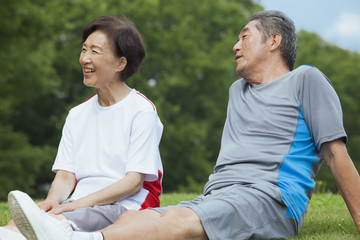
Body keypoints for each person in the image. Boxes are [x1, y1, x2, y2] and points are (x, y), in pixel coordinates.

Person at [7, 10, 360, 240]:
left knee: (172, 226)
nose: (235, 46)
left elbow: (334, 154)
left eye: (244, 36)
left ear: (274, 41)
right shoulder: (237, 91)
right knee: (131, 225)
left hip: (268, 197)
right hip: (217, 194)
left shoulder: (306, 80)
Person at [0, 15, 163, 240]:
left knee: (51, 224)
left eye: (95, 52)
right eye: (84, 49)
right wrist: (52, 202)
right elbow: (66, 176)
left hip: (127, 206)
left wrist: (75, 205)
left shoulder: (142, 111)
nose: (85, 58)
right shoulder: (77, 115)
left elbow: (133, 183)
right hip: (81, 205)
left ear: (120, 63)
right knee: (16, 225)